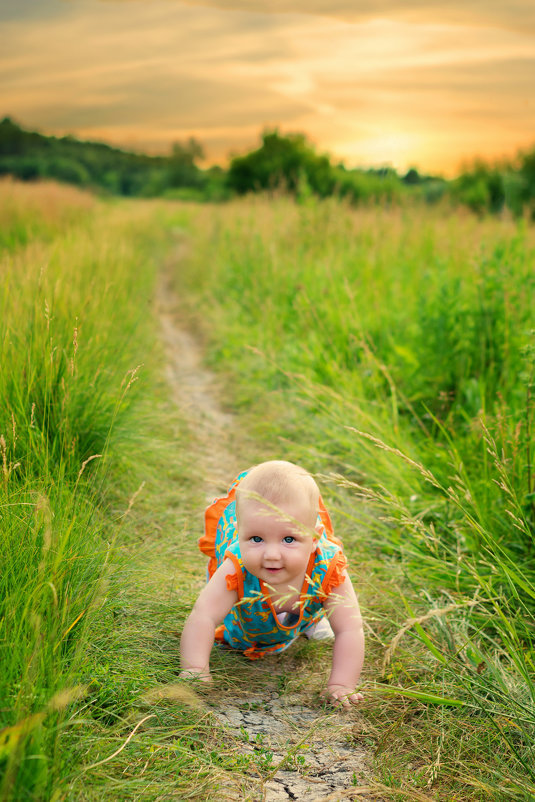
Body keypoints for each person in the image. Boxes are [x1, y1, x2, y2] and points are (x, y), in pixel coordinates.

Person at [180, 460, 364, 707]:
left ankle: (311, 622)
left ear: (314, 539)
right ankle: (293, 623)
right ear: (240, 531)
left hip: (304, 604)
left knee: (318, 607)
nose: (272, 555)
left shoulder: (328, 568)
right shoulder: (237, 566)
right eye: (256, 538)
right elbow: (203, 616)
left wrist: (342, 684)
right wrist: (195, 669)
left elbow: (350, 629)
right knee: (234, 641)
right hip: (246, 626)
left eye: (289, 538)